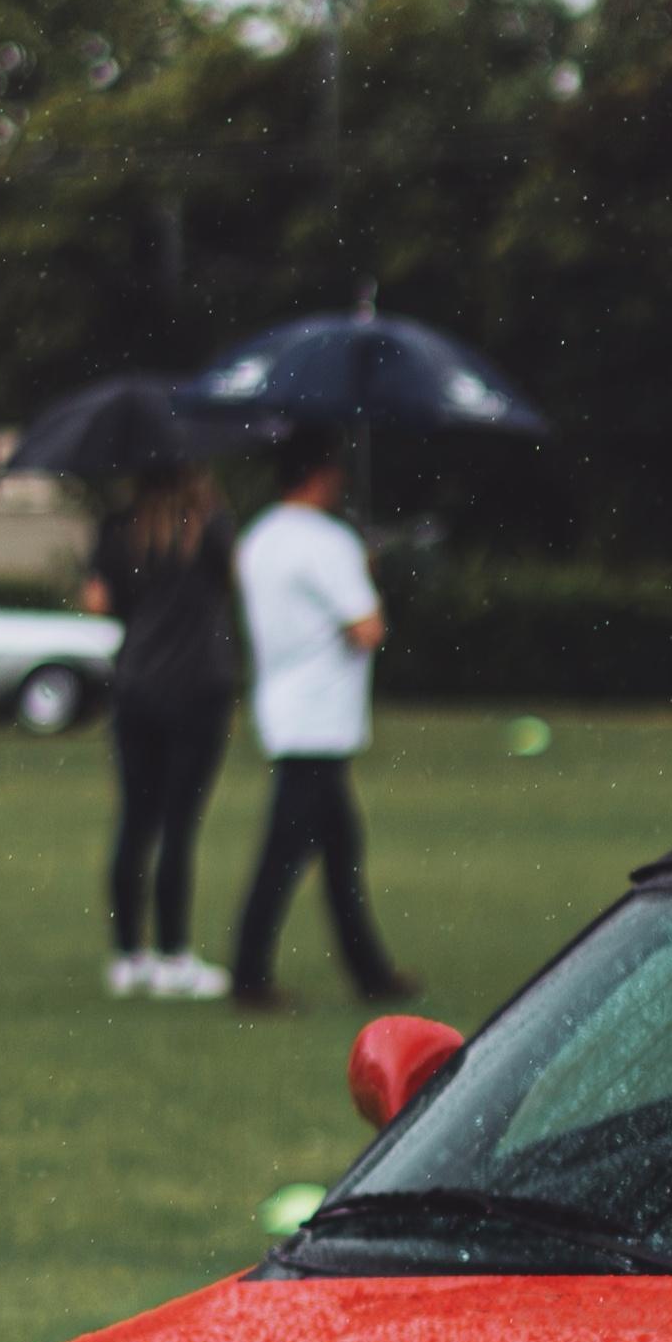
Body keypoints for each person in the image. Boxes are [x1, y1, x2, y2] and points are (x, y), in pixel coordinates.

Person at [228, 429, 410, 1015]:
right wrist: (368, 577)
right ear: (318, 475)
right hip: (323, 717)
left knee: (340, 848)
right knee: (287, 853)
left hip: (282, 708)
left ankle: (369, 970)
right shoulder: (328, 542)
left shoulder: (258, 538)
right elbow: (366, 628)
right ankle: (250, 974)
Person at [87, 465, 239, 1000]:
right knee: (179, 826)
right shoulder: (210, 526)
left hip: (136, 687)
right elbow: (234, 583)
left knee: (134, 822)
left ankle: (130, 955)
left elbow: (99, 601)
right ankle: (175, 954)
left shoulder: (118, 527)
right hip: (198, 688)